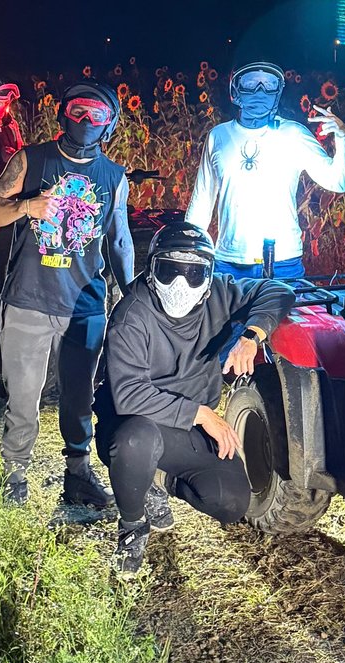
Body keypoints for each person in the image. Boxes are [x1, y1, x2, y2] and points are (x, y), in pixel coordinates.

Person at [95, 221, 295, 577]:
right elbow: (129, 396)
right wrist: (201, 414)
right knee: (136, 441)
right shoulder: (131, 315)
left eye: (193, 273)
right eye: (169, 270)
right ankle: (132, 525)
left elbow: (277, 289)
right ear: (151, 269)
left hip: (183, 431)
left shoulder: (219, 293)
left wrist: (252, 336)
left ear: (208, 275)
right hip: (132, 425)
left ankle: (157, 481)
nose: (180, 284)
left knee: (231, 501)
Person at [0, 81, 134, 510]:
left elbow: (120, 240)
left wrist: (131, 293)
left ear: (109, 125)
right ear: (63, 114)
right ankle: (14, 474)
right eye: (78, 110)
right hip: (28, 299)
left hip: (85, 306)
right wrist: (27, 207)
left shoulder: (114, 177)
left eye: (97, 114)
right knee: (23, 397)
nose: (85, 121)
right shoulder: (31, 160)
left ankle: (78, 475)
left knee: (80, 396)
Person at [185, 61, 345, 279]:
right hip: (229, 263)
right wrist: (188, 254)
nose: (260, 91)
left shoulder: (293, 134)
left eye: (269, 84)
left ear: (278, 92)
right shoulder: (218, 136)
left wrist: (343, 135)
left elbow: (337, 181)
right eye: (251, 83)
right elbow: (202, 201)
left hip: (283, 262)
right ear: (235, 91)